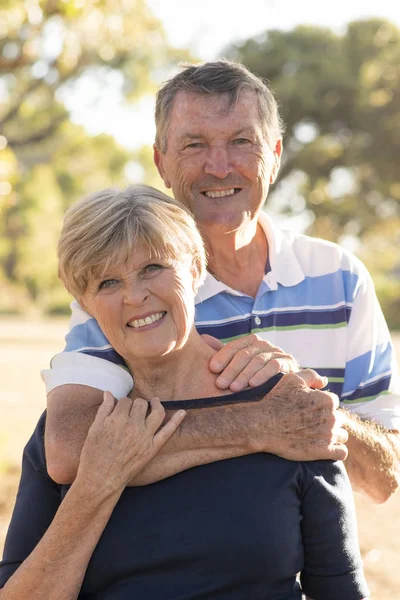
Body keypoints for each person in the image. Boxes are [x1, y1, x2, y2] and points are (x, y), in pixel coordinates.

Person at [43, 60, 400, 503]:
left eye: (241, 142)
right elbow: (69, 449)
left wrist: (310, 409)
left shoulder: (341, 279)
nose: (218, 166)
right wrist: (261, 421)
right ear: (161, 161)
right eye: (194, 145)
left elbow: (385, 477)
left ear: (274, 157)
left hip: (319, 563)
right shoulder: (128, 296)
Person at [0, 185, 369, 599]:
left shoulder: (287, 413)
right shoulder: (74, 430)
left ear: (195, 269)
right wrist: (98, 484)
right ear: (85, 303)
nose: (135, 296)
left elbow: (341, 590)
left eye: (152, 268)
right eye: (107, 282)